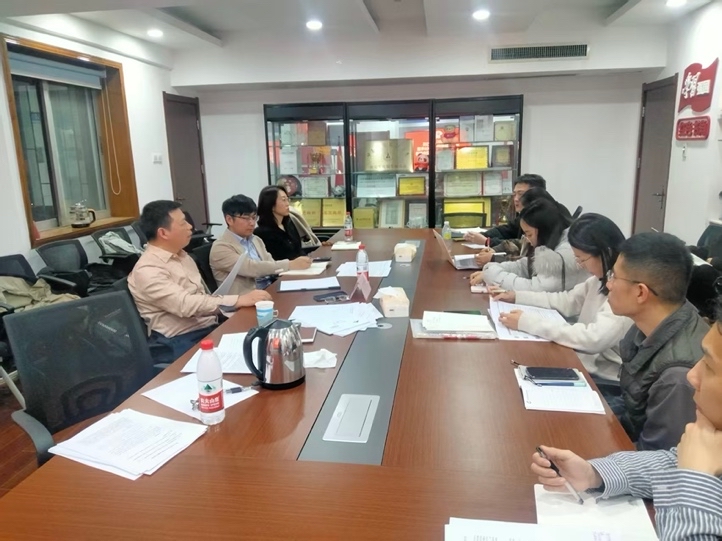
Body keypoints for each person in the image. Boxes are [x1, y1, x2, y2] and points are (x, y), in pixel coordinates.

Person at [531, 307, 722, 540]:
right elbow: (674, 461)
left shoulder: (676, 371)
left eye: (709, 366)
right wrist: (593, 474)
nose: (692, 376)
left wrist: (695, 481)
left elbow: (691, 469)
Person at [492, 213, 633, 384]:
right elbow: (566, 301)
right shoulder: (599, 280)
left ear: (605, 253)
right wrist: (517, 296)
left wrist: (528, 323)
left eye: (582, 259)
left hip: (603, 381)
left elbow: (592, 339)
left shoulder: (623, 291)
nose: (581, 265)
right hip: (583, 365)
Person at [601, 232, 709, 451]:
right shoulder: (660, 320)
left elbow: (659, 458)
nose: (608, 284)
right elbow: (633, 403)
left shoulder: (677, 376)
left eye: (614, 276)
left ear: (641, 292)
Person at [128, 200, 271, 362]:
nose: (190, 226)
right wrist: (238, 300)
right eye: (183, 223)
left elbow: (201, 298)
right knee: (253, 359)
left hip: (208, 328)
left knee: (266, 343)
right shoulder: (147, 269)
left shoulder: (182, 256)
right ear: (163, 233)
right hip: (180, 341)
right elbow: (186, 305)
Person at [469, 199, 588, 292]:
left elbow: (536, 288)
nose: (527, 239)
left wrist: (494, 275)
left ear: (543, 230)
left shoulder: (562, 256)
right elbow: (527, 266)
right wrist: (494, 268)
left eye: (529, 234)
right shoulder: (554, 241)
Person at [210, 195, 313, 296]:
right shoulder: (221, 247)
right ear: (229, 219)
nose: (252, 223)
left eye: (254, 217)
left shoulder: (256, 240)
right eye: (246, 218)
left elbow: (271, 264)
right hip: (244, 301)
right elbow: (251, 268)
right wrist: (289, 264)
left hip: (269, 290)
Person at [473, 187, 572, 267]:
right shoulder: (536, 224)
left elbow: (530, 264)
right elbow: (521, 242)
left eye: (520, 193)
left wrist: (494, 258)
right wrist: (495, 249)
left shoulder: (558, 250)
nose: (516, 199)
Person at [464, 173, 546, 247]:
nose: (516, 199)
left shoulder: (542, 218)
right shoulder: (526, 215)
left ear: (536, 194)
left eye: (521, 194)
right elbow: (506, 230)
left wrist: (487, 241)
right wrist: (481, 235)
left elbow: (521, 246)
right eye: (514, 194)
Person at [254, 185, 307, 261]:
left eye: (287, 199)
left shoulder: (289, 225)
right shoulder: (262, 233)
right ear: (271, 204)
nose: (287, 204)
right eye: (283, 200)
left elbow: (298, 250)